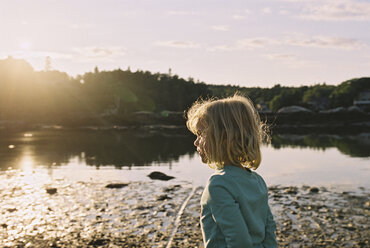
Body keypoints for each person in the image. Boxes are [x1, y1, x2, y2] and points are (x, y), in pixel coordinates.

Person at [186, 94, 277, 248]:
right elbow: (269, 233)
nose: (196, 142)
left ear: (224, 137)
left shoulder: (218, 185)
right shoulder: (257, 180)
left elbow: (239, 241)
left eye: (201, 134)